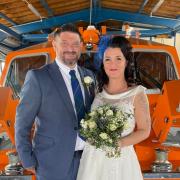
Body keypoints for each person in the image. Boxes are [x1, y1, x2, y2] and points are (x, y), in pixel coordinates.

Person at [15, 23, 96, 180]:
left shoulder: (89, 76)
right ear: (54, 45)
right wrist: (26, 158)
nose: (70, 49)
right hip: (51, 162)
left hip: (89, 159)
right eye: (64, 43)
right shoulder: (38, 77)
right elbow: (22, 122)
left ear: (81, 46)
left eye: (74, 44)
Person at [77, 36, 151, 180]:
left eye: (118, 58)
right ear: (102, 63)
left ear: (126, 62)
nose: (113, 64)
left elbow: (144, 131)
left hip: (121, 159)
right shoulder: (97, 92)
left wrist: (117, 143)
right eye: (107, 59)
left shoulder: (137, 93)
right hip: (92, 160)